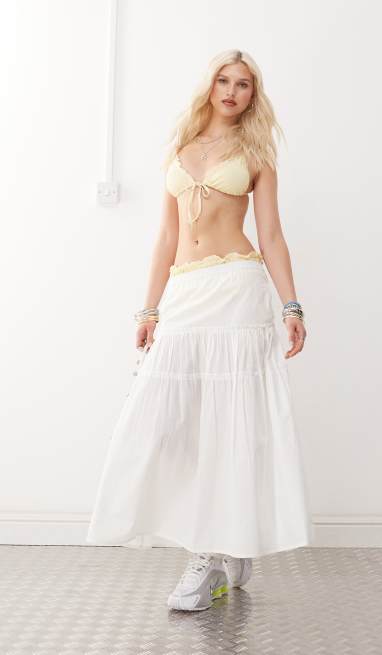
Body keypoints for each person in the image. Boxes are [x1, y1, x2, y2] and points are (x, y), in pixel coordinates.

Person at [86, 48, 313, 612]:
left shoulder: (256, 153)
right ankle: (228, 543)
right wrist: (149, 310)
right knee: (175, 426)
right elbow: (166, 238)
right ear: (210, 86)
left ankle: (206, 555)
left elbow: (272, 236)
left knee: (225, 426)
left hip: (236, 289)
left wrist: (291, 306)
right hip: (185, 293)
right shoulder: (181, 148)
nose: (231, 91)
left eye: (243, 84)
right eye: (223, 80)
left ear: (253, 95)